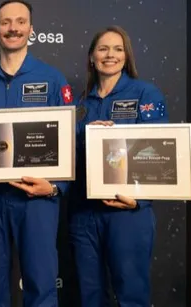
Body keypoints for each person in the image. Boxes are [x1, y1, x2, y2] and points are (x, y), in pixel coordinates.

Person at [0, 1, 72, 306]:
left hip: (36, 199)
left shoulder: (52, 79)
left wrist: (55, 187)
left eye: (20, 22)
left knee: (41, 282)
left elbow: (69, 139)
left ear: (31, 29)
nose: (13, 28)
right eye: (6, 22)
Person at [70, 25, 168, 307]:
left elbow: (159, 152)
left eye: (117, 49)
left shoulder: (145, 94)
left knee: (131, 294)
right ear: (92, 57)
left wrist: (139, 200)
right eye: (103, 49)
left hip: (127, 212)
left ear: (126, 56)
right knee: (90, 295)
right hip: (84, 212)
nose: (110, 55)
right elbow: (66, 153)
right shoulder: (79, 103)